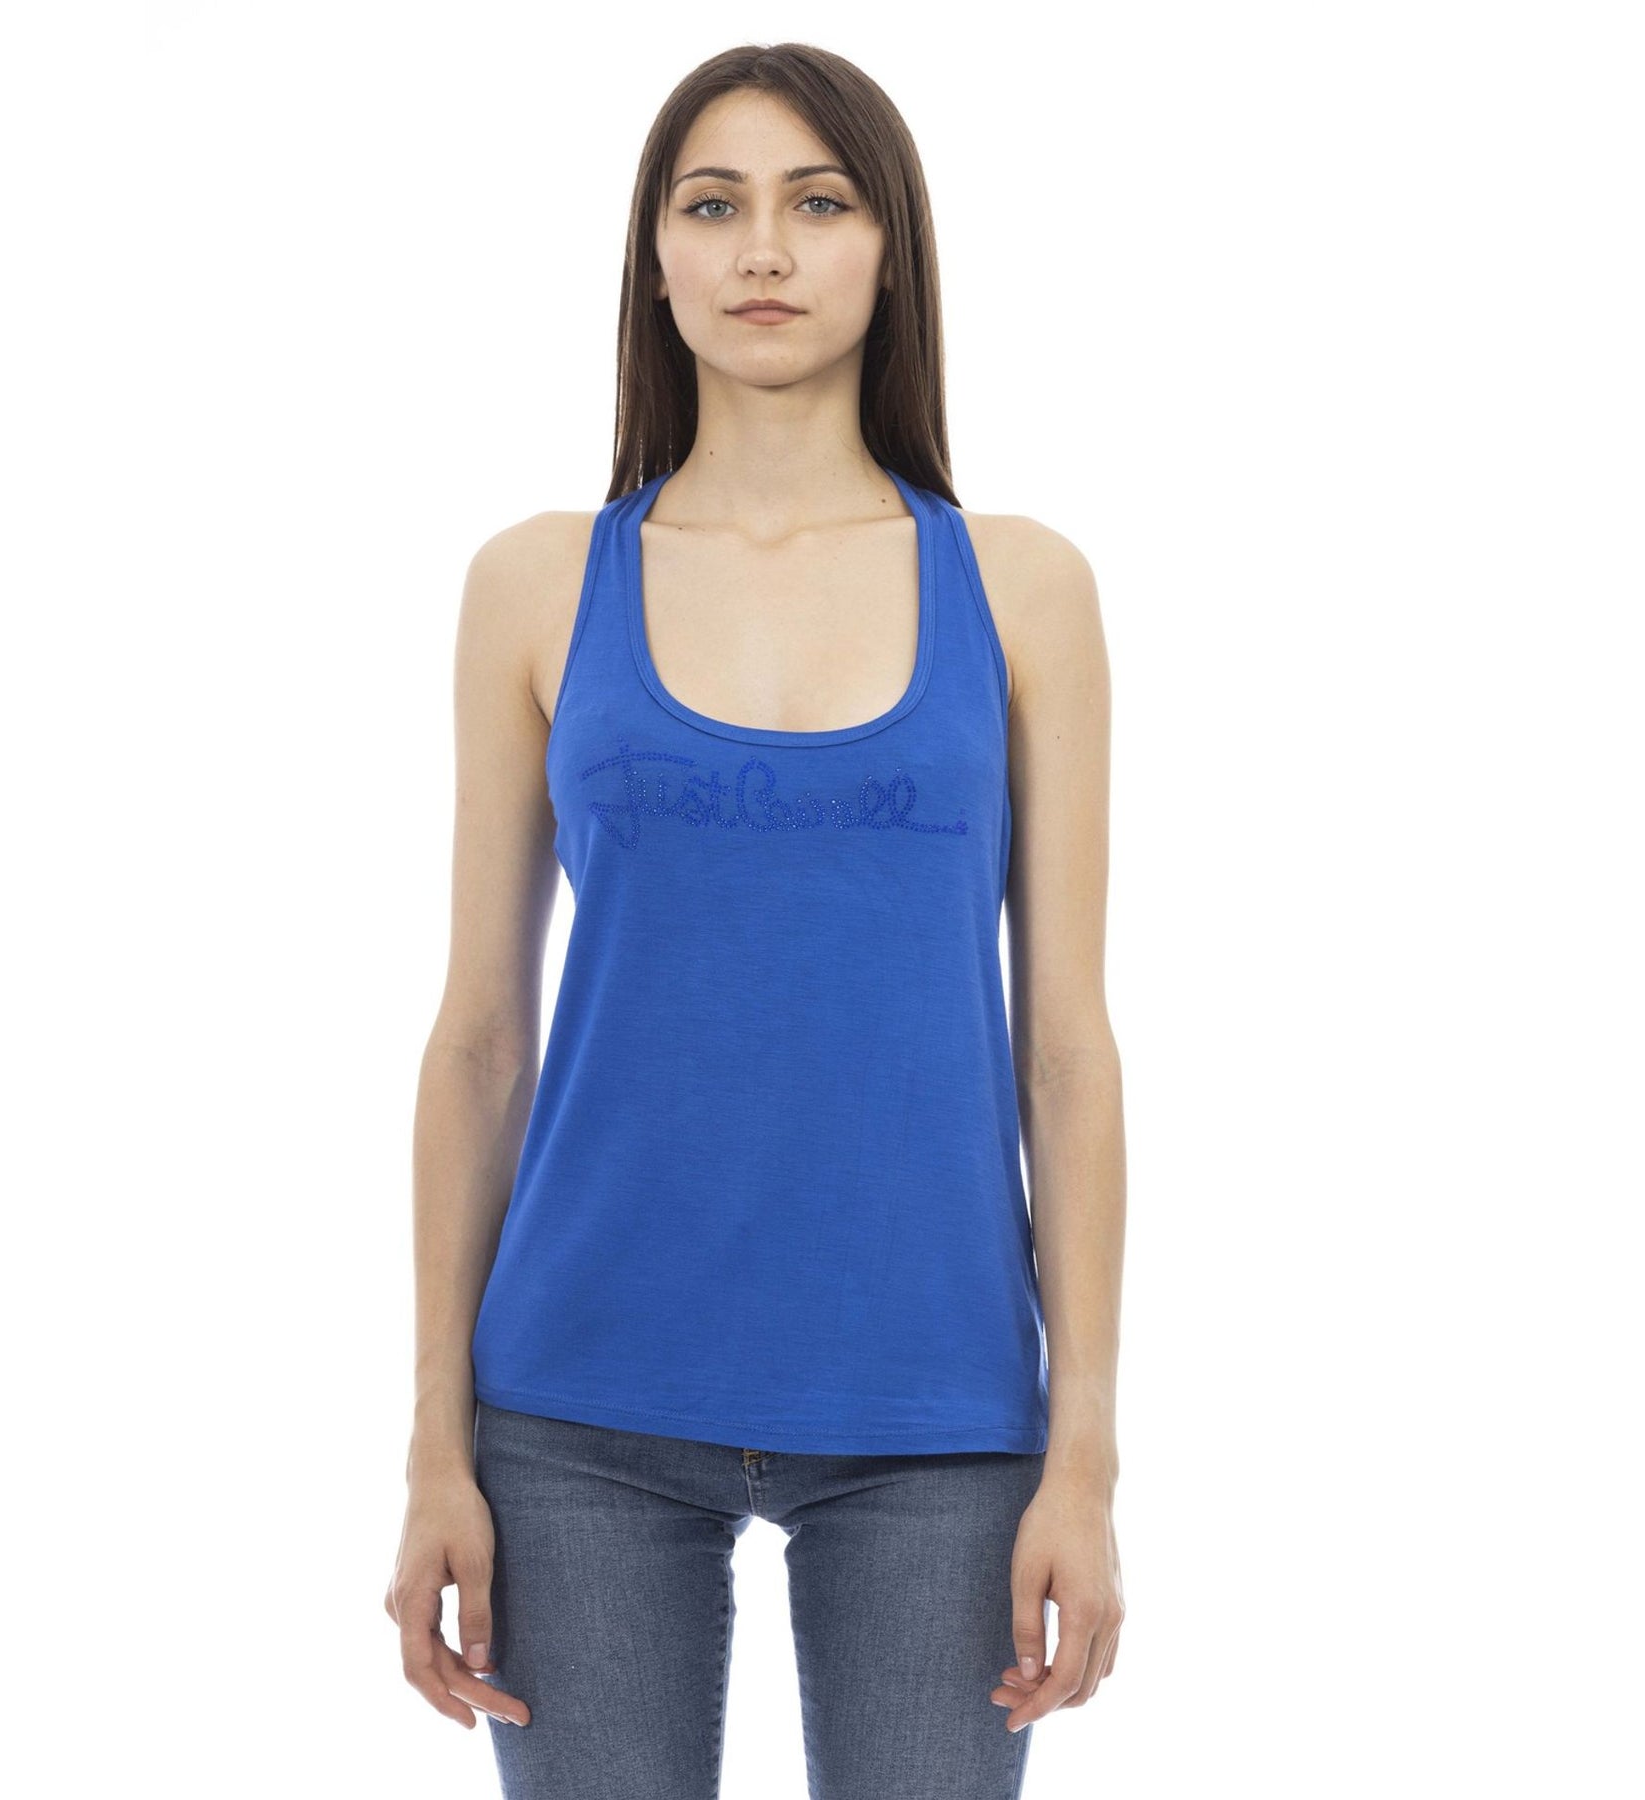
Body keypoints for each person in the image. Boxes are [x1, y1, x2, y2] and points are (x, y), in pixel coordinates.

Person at [386, 41, 1126, 1800]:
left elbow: (1068, 1052)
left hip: (937, 1410)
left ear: (891, 250)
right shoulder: (536, 583)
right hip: (574, 1407)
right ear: (655, 258)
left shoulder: (1021, 587)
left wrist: (1087, 1453)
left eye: (820, 202)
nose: (765, 251)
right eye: (713, 206)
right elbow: (480, 1037)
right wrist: (432, 1442)